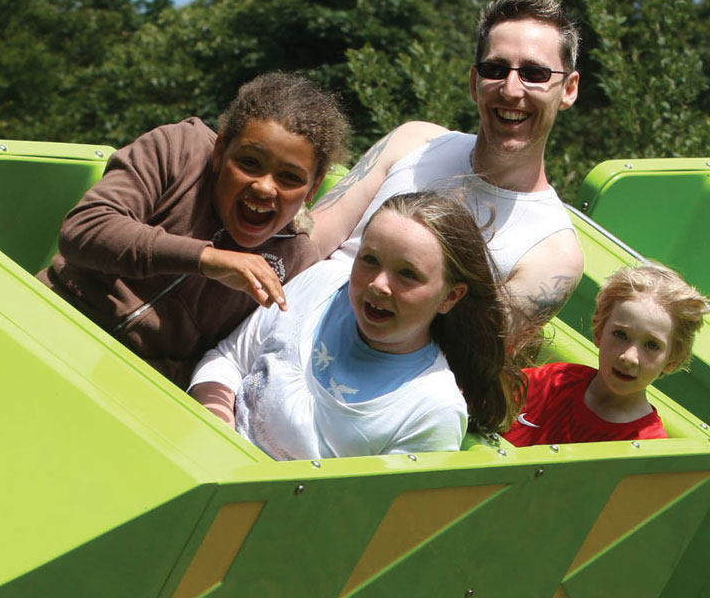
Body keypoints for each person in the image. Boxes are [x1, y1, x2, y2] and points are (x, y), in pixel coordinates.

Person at [308, 0, 584, 351]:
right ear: (474, 82)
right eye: (495, 69)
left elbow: (464, 358)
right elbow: (307, 246)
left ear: (568, 89)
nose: (511, 89)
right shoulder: (413, 142)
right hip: (284, 323)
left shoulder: (553, 251)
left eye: (534, 73)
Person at [38, 73, 350, 386]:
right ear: (220, 151)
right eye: (249, 163)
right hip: (55, 315)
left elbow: (251, 364)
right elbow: (85, 228)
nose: (265, 188)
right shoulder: (179, 149)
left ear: (313, 188)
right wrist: (206, 259)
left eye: (290, 178)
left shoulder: (296, 260)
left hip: (139, 382)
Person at [189, 192, 519, 460]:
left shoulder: (432, 407)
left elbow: (369, 521)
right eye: (369, 260)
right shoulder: (320, 282)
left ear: (450, 297)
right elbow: (227, 359)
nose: (378, 285)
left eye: (407, 274)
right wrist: (215, 426)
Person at [503, 264, 709, 446]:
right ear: (598, 330)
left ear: (673, 360)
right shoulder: (552, 381)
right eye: (621, 334)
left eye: (652, 345)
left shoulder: (647, 446)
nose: (629, 357)